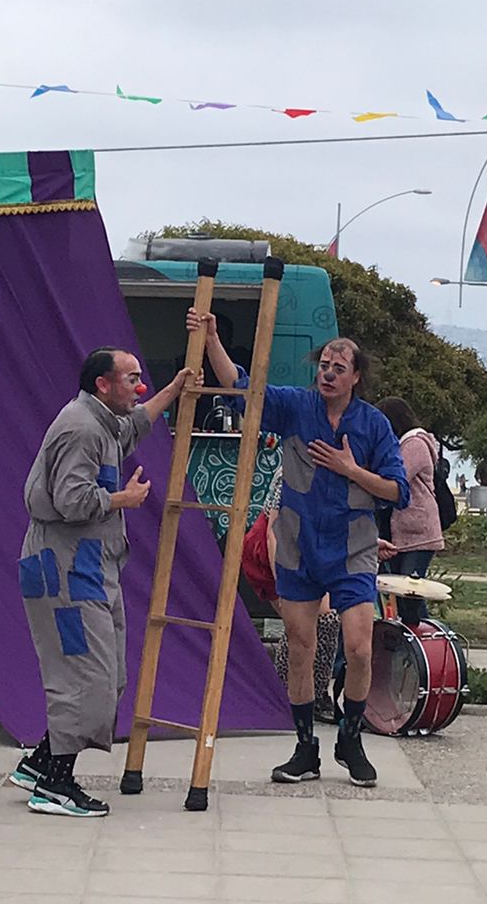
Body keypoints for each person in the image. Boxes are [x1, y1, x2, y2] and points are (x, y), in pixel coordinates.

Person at [191, 310, 408, 788]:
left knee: (358, 647)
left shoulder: (372, 425)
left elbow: (397, 491)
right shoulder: (295, 406)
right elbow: (243, 388)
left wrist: (352, 469)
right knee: (301, 646)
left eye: (338, 367)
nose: (328, 373)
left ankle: (350, 737)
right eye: (324, 365)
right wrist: (210, 338)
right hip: (297, 545)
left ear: (356, 377)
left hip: (352, 548)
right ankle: (305, 747)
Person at [11, 348, 196, 817]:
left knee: (107, 674)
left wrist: (174, 390)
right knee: (85, 676)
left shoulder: (106, 422)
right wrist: (123, 498)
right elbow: (71, 500)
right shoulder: (82, 427)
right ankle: (55, 784)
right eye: (132, 379)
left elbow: (135, 425)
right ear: (102, 384)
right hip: (66, 571)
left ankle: (40, 763)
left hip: (90, 568)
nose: (140, 389)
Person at [376, 397, 445, 626]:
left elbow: (397, 477)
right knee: (403, 593)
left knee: (410, 594)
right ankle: (413, 640)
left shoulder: (414, 444)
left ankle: (423, 643)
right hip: (403, 532)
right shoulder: (407, 444)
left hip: (419, 531)